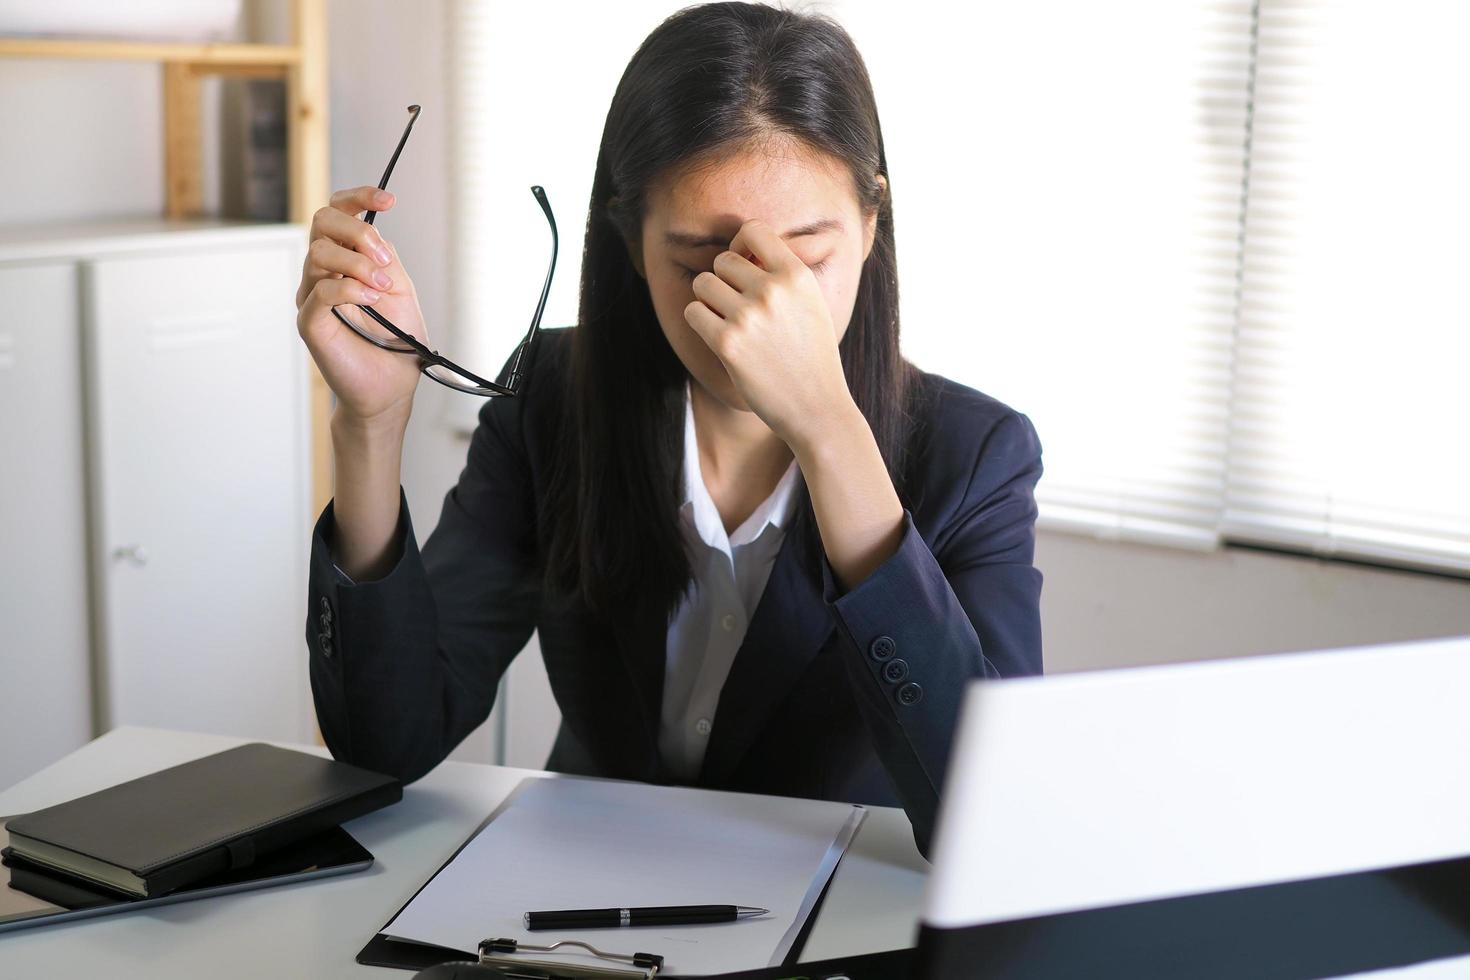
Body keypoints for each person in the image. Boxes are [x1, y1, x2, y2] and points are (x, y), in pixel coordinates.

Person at [293, 0, 1042, 861]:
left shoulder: (975, 457)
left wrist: (830, 431)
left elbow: (990, 823)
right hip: (574, 909)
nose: (755, 305)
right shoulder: (551, 404)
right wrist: (371, 423)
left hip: (832, 922)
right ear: (630, 242)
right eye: (699, 261)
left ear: (872, 229)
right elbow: (387, 741)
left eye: (808, 256)